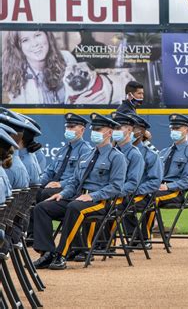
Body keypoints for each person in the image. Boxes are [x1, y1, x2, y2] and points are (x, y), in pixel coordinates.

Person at [32, 113, 126, 270]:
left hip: (100, 201)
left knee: (74, 208)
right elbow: (74, 181)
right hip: (78, 197)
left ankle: (61, 255)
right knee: (41, 207)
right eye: (93, 129)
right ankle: (47, 253)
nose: (94, 132)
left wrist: (92, 196)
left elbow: (116, 187)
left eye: (98, 129)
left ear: (109, 133)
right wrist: (62, 194)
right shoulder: (87, 155)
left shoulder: (117, 157)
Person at [141, 114, 188, 240]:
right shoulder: (164, 152)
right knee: (132, 196)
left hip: (175, 192)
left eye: (177, 128)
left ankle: (144, 238)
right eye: (172, 129)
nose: (174, 131)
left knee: (151, 198)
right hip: (159, 188)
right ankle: (133, 234)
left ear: (187, 130)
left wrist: (168, 186)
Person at [2, 31, 76, 104]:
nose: (34, 44)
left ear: (47, 35)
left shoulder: (67, 58)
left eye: (37, 35)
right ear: (18, 47)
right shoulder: (17, 78)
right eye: (25, 40)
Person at [122, 114, 163, 241]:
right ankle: (104, 241)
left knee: (123, 203)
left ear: (141, 132)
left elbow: (155, 181)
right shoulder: (119, 151)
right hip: (122, 191)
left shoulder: (151, 154)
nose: (128, 132)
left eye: (132, 129)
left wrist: (134, 190)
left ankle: (139, 238)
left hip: (142, 194)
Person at [37, 113, 92, 202]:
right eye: (67, 127)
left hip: (69, 188)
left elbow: (81, 176)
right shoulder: (63, 149)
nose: (68, 130)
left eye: (72, 127)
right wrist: (39, 183)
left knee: (46, 193)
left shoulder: (86, 150)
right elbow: (50, 170)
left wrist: (61, 184)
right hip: (54, 185)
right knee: (36, 190)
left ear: (82, 130)